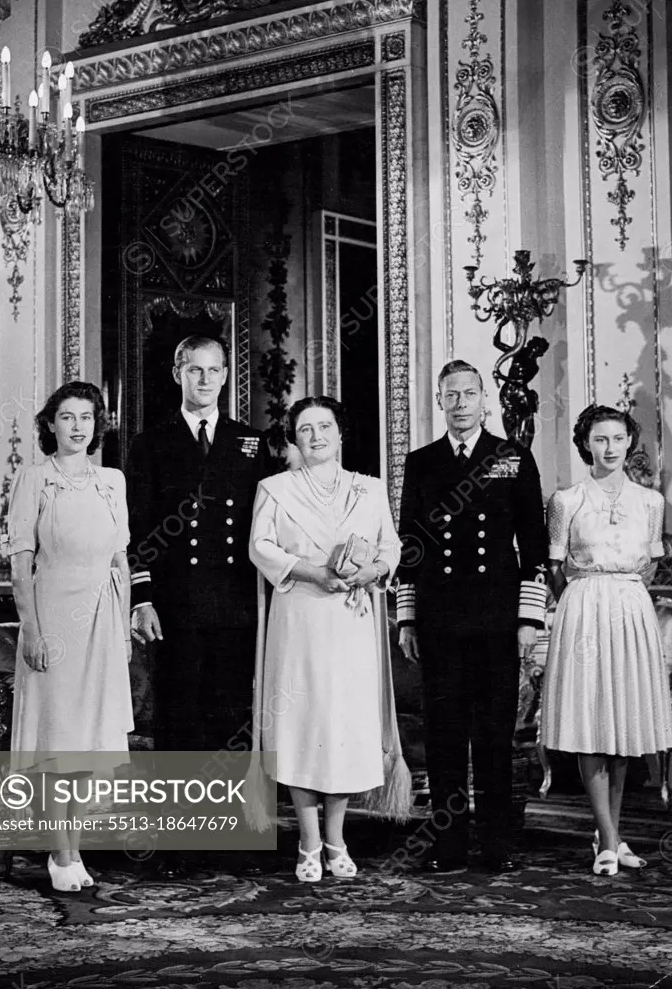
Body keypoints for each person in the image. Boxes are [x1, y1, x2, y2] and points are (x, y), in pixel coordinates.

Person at [249, 395, 410, 882]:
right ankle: (307, 840)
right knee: (302, 725)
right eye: (305, 429)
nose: (316, 436)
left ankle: (336, 837)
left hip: (351, 621)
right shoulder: (274, 488)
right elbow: (260, 547)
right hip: (299, 618)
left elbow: (391, 546)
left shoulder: (370, 489)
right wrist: (312, 571)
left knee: (342, 727)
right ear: (294, 439)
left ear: (340, 434)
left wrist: (374, 570)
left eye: (324, 427)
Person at [397, 360, 548, 873]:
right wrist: (407, 618)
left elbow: (534, 544)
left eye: (469, 393)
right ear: (438, 401)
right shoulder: (421, 462)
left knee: (493, 734)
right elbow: (410, 545)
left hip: (497, 615)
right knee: (443, 735)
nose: (460, 403)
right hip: (440, 616)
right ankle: (449, 844)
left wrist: (529, 618)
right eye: (450, 395)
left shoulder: (512, 457)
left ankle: (497, 844)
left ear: (485, 399)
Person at [8, 381, 133, 892]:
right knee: (58, 741)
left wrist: (123, 629)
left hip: (102, 620)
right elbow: (20, 565)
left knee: (91, 742)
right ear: (50, 424)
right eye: (67, 417)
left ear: (97, 425)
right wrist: (32, 632)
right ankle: (60, 853)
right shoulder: (34, 478)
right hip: (53, 619)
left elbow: (121, 560)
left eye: (87, 417)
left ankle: (74, 846)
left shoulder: (113, 480)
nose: (78, 427)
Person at [540, 404, 672, 875]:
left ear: (629, 442)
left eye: (618, 438)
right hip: (584, 609)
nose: (611, 448)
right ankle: (608, 840)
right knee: (591, 721)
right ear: (586, 445)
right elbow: (555, 567)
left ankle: (610, 836)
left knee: (621, 725)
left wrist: (623, 593)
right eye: (601, 439)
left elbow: (653, 563)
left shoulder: (651, 501)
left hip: (631, 607)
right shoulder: (566, 500)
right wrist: (583, 599)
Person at [126, 335, 270, 756]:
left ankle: (228, 820)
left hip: (236, 606)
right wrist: (142, 599)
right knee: (177, 717)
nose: (204, 379)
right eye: (194, 369)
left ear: (225, 376)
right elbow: (138, 528)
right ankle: (179, 820)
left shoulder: (251, 442)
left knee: (231, 718)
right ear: (178, 374)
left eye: (213, 370)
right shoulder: (149, 443)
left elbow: (267, 527)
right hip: (174, 606)